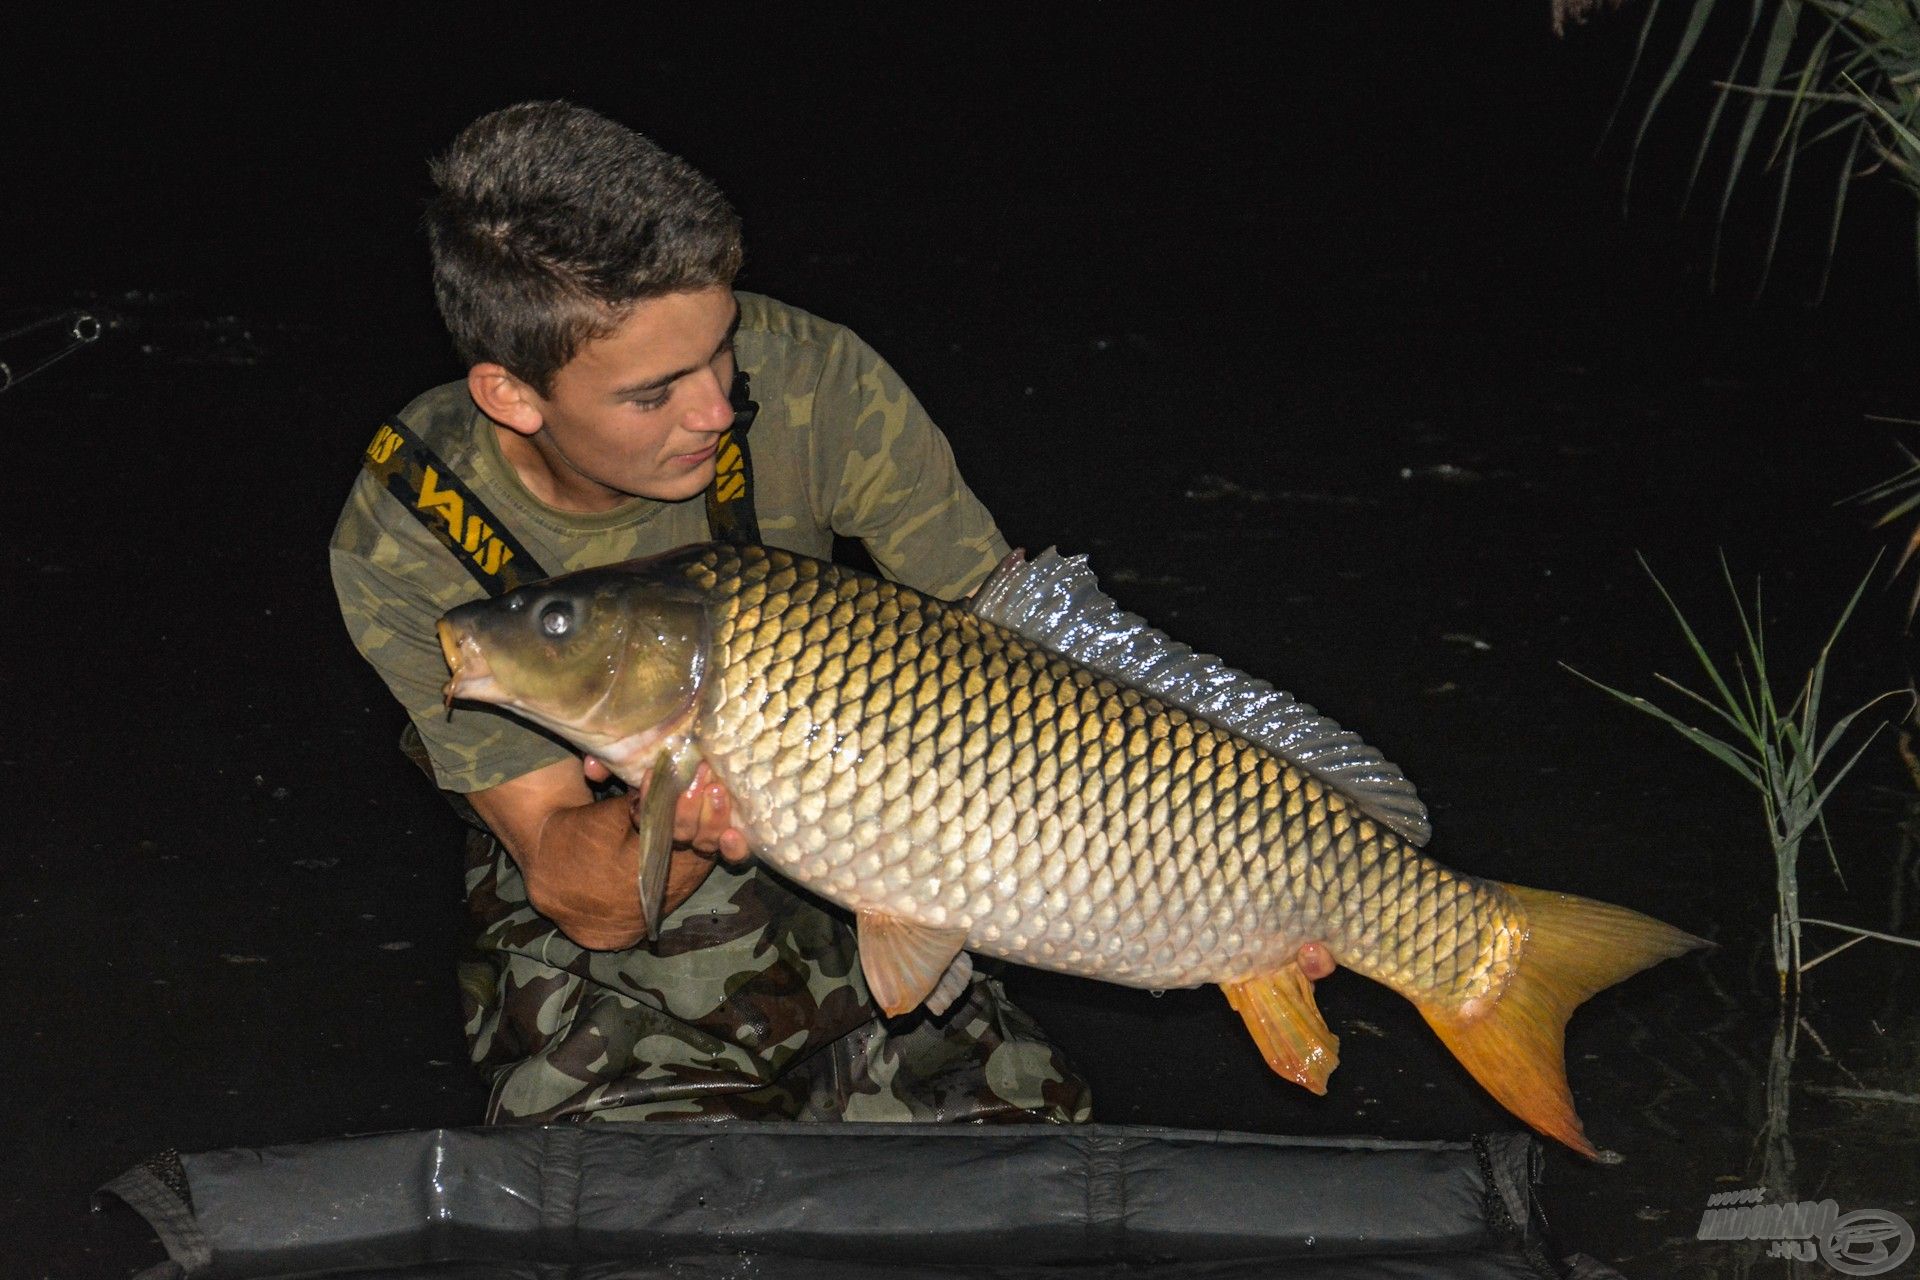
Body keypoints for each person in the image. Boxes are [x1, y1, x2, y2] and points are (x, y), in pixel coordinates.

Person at [329, 101, 1091, 1125]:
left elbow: (1033, 652)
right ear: (512, 396)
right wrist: (678, 828)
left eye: (722, 346)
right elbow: (576, 882)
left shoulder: (817, 377)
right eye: (656, 393)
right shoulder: (410, 533)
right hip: (603, 865)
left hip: (880, 792)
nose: (718, 409)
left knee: (1017, 1155)